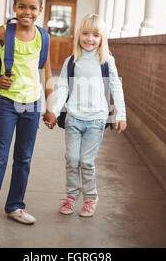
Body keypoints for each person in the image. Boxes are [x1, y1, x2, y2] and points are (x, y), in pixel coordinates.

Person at [0, 0, 57, 230]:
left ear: (40, 10)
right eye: (21, 7)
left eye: (32, 8)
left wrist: (50, 107)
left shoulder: (43, 37)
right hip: (8, 103)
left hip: (32, 105)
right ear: (14, 7)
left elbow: (47, 74)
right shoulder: (2, 32)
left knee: (24, 158)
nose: (26, 12)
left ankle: (16, 206)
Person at [46, 14, 127, 217]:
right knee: (72, 158)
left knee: (86, 161)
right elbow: (63, 87)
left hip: (97, 119)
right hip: (74, 117)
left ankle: (90, 197)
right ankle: (71, 196)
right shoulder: (72, 61)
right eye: (85, 33)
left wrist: (121, 115)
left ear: (102, 39)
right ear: (78, 35)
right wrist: (54, 112)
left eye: (95, 35)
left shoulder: (107, 61)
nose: (89, 39)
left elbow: (116, 87)